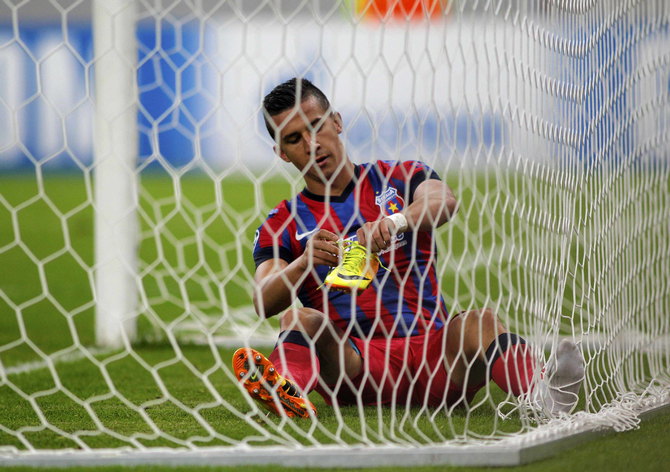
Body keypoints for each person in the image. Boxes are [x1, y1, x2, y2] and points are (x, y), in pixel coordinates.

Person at [232, 77, 584, 419]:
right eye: (294, 138)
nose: (311, 144)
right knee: (298, 317)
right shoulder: (283, 221)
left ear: (336, 121)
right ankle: (284, 389)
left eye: (316, 126)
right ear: (281, 152)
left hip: (436, 360)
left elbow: (443, 201)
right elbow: (264, 299)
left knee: (483, 322)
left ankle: (543, 396)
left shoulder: (399, 176)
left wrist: (395, 222)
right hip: (356, 367)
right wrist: (304, 263)